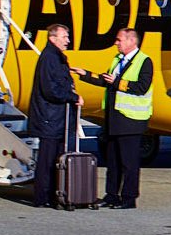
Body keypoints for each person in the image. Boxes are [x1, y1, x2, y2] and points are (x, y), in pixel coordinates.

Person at [72, 27, 153, 209]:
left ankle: (129, 198)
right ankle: (111, 196)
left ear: (132, 41)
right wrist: (85, 74)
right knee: (113, 161)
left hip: (131, 121)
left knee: (129, 163)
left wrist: (116, 82)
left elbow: (142, 87)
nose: (116, 43)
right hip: (114, 119)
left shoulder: (144, 61)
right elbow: (105, 80)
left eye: (119, 40)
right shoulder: (117, 60)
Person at [26, 23, 82, 209]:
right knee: (47, 159)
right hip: (50, 118)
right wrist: (73, 96)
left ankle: (53, 195)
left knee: (56, 158)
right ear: (53, 38)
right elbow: (50, 90)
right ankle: (42, 197)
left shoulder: (57, 58)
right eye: (64, 37)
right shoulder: (50, 58)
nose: (68, 40)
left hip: (58, 118)